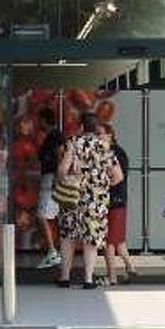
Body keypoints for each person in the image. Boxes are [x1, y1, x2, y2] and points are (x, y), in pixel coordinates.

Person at [56, 113, 123, 289]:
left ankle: (64, 277)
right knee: (91, 240)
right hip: (96, 200)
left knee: (68, 237)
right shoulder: (105, 146)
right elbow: (118, 176)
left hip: (73, 197)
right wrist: (103, 185)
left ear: (81, 127)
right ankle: (88, 279)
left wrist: (71, 175)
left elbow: (62, 170)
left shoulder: (73, 143)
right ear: (96, 128)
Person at [99, 123, 136, 286]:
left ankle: (112, 277)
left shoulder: (113, 153)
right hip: (119, 200)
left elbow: (117, 177)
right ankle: (130, 267)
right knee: (118, 239)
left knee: (109, 241)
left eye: (100, 134)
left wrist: (101, 186)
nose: (97, 138)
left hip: (113, 200)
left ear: (110, 135)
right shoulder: (118, 151)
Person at [35, 107, 64, 270]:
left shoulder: (55, 136)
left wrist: (57, 180)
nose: (38, 123)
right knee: (49, 215)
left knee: (42, 215)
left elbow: (60, 154)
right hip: (50, 177)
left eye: (40, 120)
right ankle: (55, 250)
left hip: (51, 178)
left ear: (45, 120)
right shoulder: (52, 135)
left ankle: (53, 251)